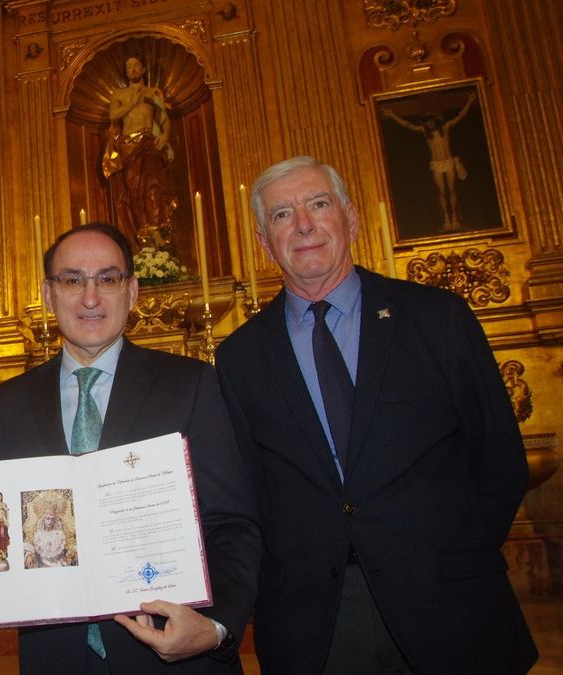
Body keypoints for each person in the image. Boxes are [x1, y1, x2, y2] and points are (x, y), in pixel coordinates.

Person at [215, 156, 537, 674]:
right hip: (315, 621)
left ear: (350, 217)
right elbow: (249, 491)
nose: (303, 225)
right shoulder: (239, 357)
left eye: (318, 204)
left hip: (448, 605)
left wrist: (453, 556)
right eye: (281, 215)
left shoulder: (437, 318)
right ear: (262, 241)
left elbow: (499, 460)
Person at [0, 223, 260, 673]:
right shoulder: (10, 401)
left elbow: (233, 524)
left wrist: (215, 628)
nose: (90, 297)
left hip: (174, 656)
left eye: (108, 279)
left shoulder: (190, 384)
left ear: (132, 291)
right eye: (72, 280)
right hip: (57, 658)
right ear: (48, 292)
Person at [102, 55, 179, 250]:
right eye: (129, 67)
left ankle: (158, 229)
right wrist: (133, 101)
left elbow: (163, 119)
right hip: (128, 147)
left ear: (143, 69)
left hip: (148, 144)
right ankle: (143, 232)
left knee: (153, 185)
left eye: (137, 65)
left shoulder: (153, 93)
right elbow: (113, 116)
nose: (133, 69)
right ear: (126, 73)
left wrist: (165, 135)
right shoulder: (119, 94)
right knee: (134, 191)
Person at [382, 91, 477, 230]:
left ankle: (455, 217)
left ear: (435, 121)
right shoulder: (426, 133)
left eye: (431, 122)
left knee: (451, 188)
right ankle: (446, 218)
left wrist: (469, 101)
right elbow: (407, 125)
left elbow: (460, 116)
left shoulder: (445, 128)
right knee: (442, 190)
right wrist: (392, 115)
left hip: (448, 161)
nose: (430, 124)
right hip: (437, 164)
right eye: (428, 123)